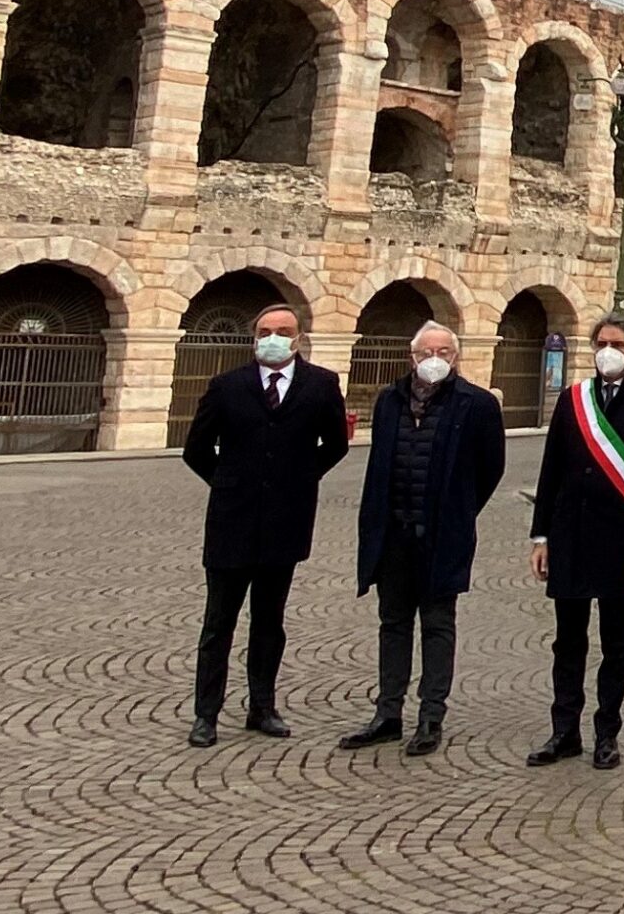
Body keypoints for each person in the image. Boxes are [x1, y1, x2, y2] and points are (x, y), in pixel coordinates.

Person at [180, 304, 349, 748]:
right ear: (254, 337)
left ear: (298, 338)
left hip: (285, 522)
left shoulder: (321, 385)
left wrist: (298, 478)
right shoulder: (227, 386)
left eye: (282, 331)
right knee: (219, 622)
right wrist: (229, 482)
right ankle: (206, 713)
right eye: (264, 331)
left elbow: (335, 444)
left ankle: (262, 705)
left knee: (269, 621)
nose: (272, 337)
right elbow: (196, 448)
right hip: (232, 521)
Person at [338, 320, 506, 757]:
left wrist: (460, 511)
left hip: (441, 535)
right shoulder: (389, 400)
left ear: (456, 357)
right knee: (392, 624)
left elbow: (491, 469)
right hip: (393, 533)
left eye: (444, 353)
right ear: (412, 357)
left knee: (437, 625)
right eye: (426, 353)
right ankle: (387, 713)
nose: (435, 360)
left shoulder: (477, 404)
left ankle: (431, 714)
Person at [527, 311, 624, 771]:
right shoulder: (574, 399)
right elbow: (550, 469)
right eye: (600, 343)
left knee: (616, 639)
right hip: (570, 534)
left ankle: (606, 732)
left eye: (616, 343)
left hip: (621, 540)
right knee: (567, 640)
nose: (606, 351)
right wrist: (541, 536)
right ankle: (564, 730)